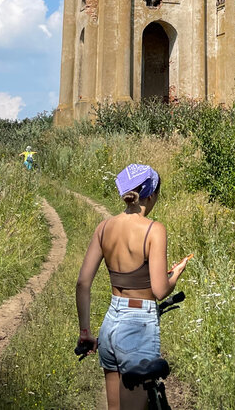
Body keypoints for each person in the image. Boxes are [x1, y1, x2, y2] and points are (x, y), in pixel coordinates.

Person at [76, 163, 189, 410]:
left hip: (110, 325)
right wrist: (175, 275)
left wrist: (85, 331)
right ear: (151, 194)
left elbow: (83, 282)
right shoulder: (154, 230)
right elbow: (160, 290)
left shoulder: (103, 228)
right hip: (138, 325)